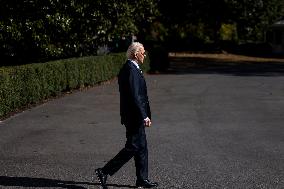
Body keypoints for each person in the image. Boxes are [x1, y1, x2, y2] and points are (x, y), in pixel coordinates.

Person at [95, 42, 158, 189]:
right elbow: (135, 96)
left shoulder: (131, 68)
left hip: (132, 115)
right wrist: (144, 116)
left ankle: (142, 179)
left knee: (141, 147)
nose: (145, 55)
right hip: (134, 116)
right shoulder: (131, 69)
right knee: (133, 146)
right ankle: (104, 171)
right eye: (143, 52)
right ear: (136, 54)